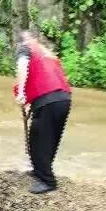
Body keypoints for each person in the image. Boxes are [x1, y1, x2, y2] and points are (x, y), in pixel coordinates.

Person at [14, 30, 72, 194]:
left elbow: (22, 66)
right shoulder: (47, 53)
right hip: (64, 98)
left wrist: (20, 93)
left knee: (38, 140)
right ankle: (41, 171)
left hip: (48, 99)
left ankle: (48, 181)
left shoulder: (25, 48)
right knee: (50, 138)